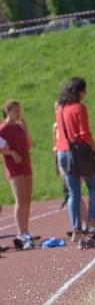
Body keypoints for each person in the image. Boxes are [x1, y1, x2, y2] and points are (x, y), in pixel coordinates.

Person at [55, 77, 95, 244]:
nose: (85, 93)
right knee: (93, 187)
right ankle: (91, 224)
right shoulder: (79, 108)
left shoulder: (60, 109)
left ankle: (76, 230)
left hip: (63, 152)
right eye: (84, 90)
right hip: (79, 153)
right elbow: (84, 134)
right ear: (79, 92)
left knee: (73, 192)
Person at [0, 100, 33, 248]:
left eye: (19, 111)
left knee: (27, 199)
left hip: (26, 165)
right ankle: (21, 232)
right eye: (15, 111)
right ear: (8, 111)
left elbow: (29, 145)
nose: (18, 114)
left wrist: (26, 129)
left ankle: (26, 231)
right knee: (20, 199)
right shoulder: (3, 129)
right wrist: (11, 152)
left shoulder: (19, 127)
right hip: (14, 168)